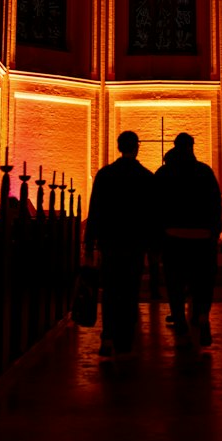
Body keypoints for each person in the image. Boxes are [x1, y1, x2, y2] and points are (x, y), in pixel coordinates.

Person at [84, 131, 154, 359]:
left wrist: (89, 243)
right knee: (130, 291)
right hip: (135, 244)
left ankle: (107, 336)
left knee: (111, 291)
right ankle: (125, 340)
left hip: (110, 243)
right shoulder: (145, 177)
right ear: (137, 148)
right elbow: (151, 214)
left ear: (119, 147)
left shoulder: (105, 175)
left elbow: (94, 210)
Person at [155, 132, 222, 349]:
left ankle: (180, 319)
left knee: (175, 281)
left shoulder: (164, 173)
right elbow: (215, 204)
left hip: (173, 236)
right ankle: (202, 316)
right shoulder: (204, 172)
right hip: (202, 237)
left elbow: (156, 206)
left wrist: (158, 234)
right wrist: (215, 232)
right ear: (192, 147)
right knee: (203, 281)